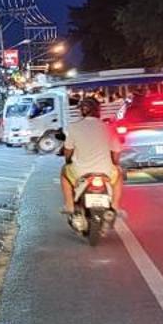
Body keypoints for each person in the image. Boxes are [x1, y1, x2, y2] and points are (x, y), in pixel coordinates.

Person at [61, 94, 123, 226]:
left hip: (80, 172)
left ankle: (70, 206)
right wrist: (115, 164)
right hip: (105, 171)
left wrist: (67, 161)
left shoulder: (74, 127)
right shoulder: (108, 127)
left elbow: (68, 150)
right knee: (118, 175)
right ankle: (115, 206)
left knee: (64, 174)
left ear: (82, 111)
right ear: (98, 110)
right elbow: (117, 151)